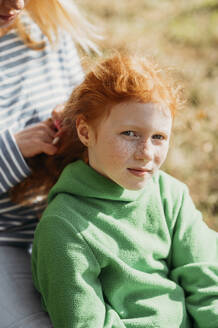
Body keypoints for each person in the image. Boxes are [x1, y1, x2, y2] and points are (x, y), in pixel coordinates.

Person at [30, 54, 218, 327]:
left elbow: (208, 282)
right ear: (85, 132)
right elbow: (84, 323)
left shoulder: (169, 195)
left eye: (158, 137)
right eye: (129, 133)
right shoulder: (64, 228)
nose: (145, 153)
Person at [0, 0, 99, 326]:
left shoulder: (43, 28)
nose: (18, 4)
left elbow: (78, 101)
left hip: (71, 220)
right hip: (8, 239)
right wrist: (12, 150)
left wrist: (71, 118)